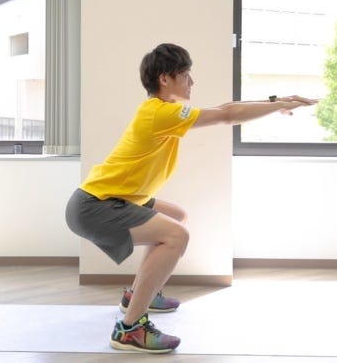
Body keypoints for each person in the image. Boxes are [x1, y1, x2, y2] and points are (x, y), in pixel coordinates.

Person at [65, 43, 317, 353]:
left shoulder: (164, 111)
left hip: (114, 198)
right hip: (95, 205)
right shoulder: (159, 113)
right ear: (165, 78)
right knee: (176, 236)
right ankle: (130, 329)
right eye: (185, 75)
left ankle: (139, 295)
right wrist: (278, 106)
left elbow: (225, 108)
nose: (191, 82)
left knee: (176, 217)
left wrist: (273, 102)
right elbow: (227, 115)